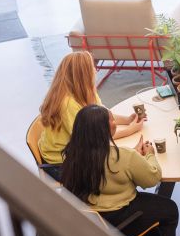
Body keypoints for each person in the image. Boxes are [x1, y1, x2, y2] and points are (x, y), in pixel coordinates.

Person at [61, 105, 178, 236]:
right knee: (169, 210)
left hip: (90, 221)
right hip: (117, 222)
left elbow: (108, 165)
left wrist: (133, 156)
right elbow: (152, 178)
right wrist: (150, 155)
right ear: (103, 129)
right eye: (111, 119)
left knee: (155, 208)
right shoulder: (123, 156)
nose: (115, 122)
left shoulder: (73, 154)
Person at [38, 51, 145, 180]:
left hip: (77, 151)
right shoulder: (67, 104)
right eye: (92, 67)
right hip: (61, 163)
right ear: (83, 75)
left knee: (119, 157)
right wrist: (129, 130)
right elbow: (92, 138)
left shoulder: (87, 92)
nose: (96, 70)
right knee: (117, 171)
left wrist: (127, 120)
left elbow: (104, 114)